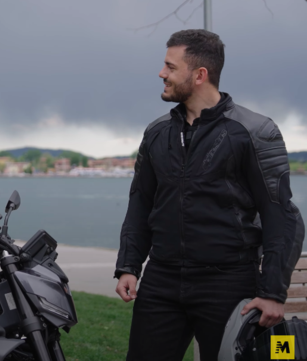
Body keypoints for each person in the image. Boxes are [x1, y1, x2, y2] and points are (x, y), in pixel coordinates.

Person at [114, 29, 304, 361]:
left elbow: (281, 216)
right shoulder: (157, 132)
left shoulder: (255, 132)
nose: (162, 74)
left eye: (171, 67)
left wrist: (273, 292)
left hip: (229, 283)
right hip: (162, 279)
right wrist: (129, 265)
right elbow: (141, 201)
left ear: (200, 75)